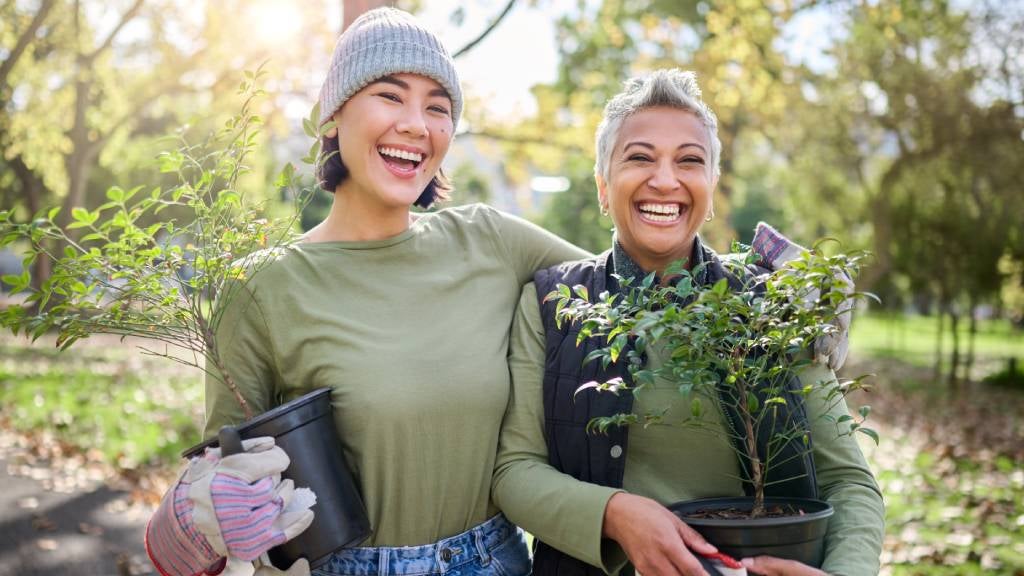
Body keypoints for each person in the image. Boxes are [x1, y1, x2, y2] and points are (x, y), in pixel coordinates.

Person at [142, 10, 847, 576]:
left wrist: (781, 295)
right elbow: (219, 487)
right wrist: (186, 531)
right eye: (389, 95)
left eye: (438, 106)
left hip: (496, 560)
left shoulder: (490, 240)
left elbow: (647, 279)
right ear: (333, 116)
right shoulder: (262, 287)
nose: (416, 124)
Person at [491, 69, 884, 576]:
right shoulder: (551, 304)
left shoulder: (774, 303)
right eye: (639, 157)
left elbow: (848, 481)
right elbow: (515, 471)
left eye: (689, 161)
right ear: (603, 185)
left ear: (712, 186)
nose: (665, 179)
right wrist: (614, 515)